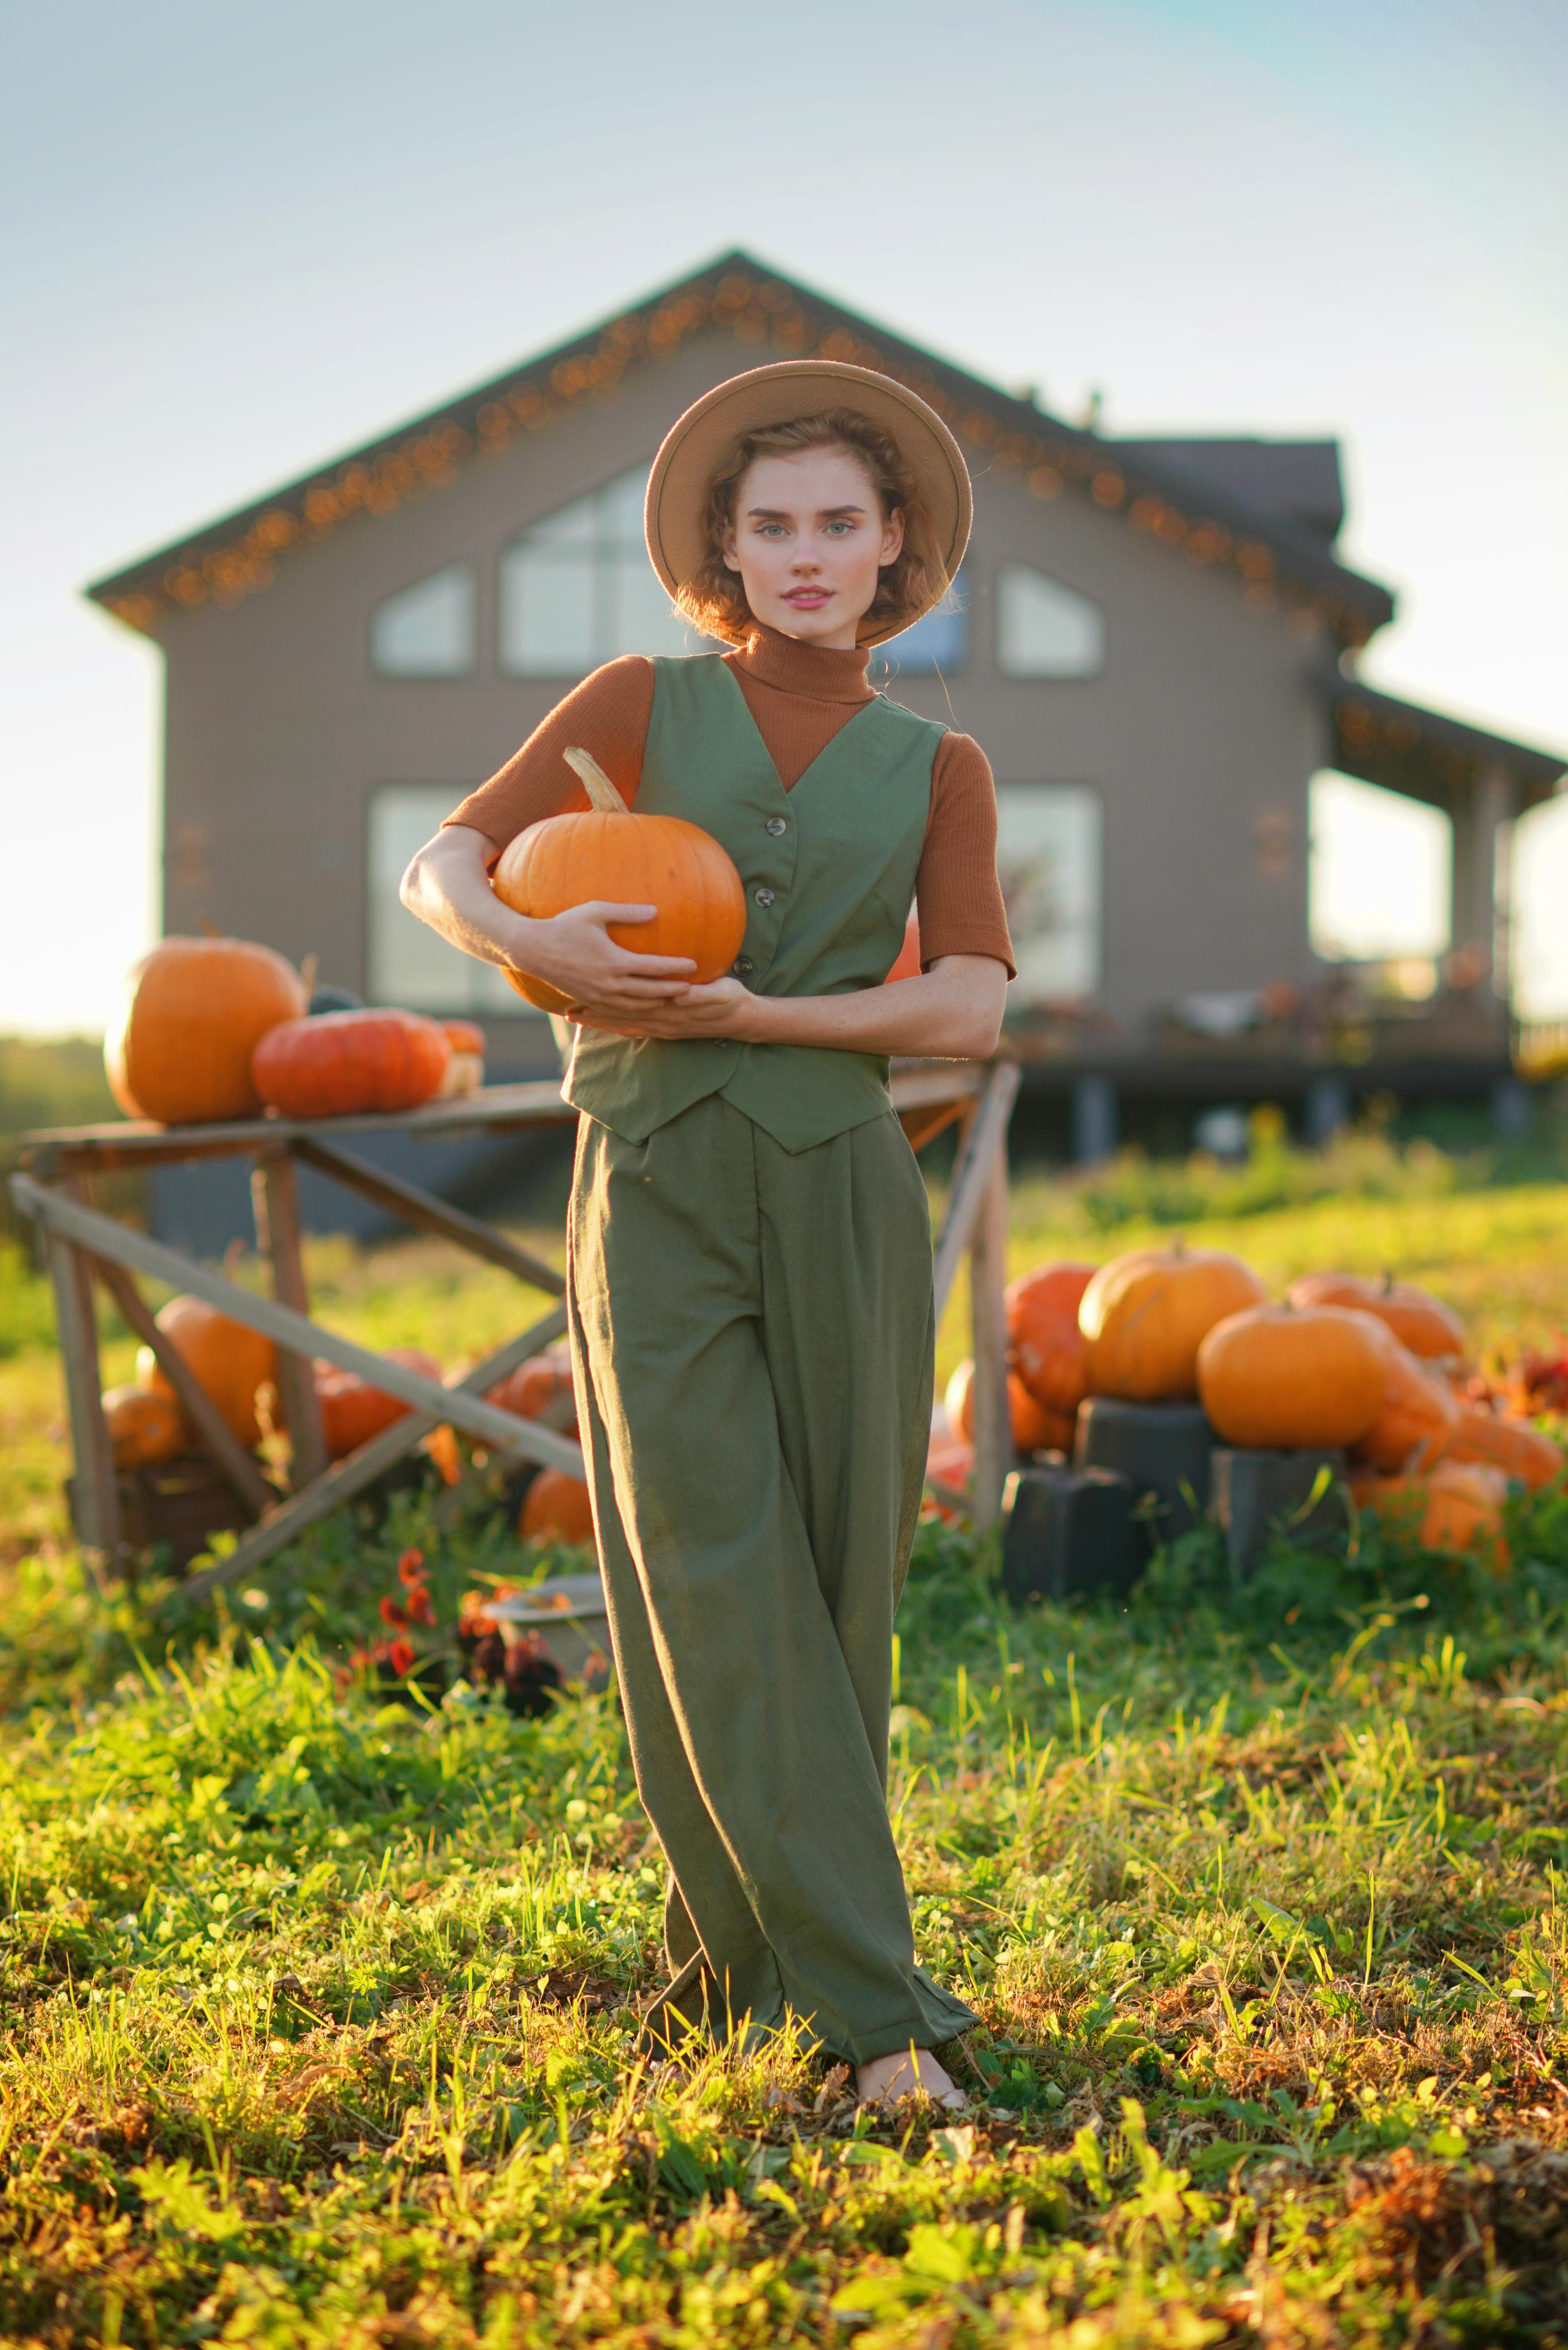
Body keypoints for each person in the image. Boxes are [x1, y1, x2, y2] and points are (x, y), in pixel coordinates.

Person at [402, 360, 1014, 2107]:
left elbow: (965, 1005)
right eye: (773, 527)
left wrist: (761, 1017)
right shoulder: (637, 702)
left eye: (840, 523)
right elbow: (442, 859)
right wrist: (530, 951)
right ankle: (883, 2027)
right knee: (707, 1574)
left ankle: (732, 1968)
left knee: (832, 1596)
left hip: (839, 1190)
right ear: (724, 552)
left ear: (894, 544)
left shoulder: (937, 763)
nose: (806, 555)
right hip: (652, 1180)